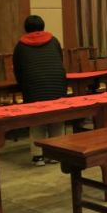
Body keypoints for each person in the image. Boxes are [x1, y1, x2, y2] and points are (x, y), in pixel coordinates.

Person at [13, 15, 67, 166]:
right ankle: (56, 153)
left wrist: (23, 86)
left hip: (33, 85)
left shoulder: (20, 45)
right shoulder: (54, 41)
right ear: (43, 26)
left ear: (26, 28)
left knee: (36, 119)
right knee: (57, 116)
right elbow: (59, 61)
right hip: (57, 83)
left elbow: (18, 69)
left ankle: (38, 156)